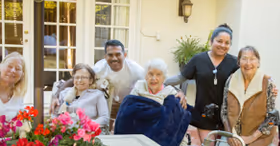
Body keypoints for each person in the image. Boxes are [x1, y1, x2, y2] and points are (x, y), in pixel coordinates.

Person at [50, 40, 187, 125]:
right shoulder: (99, 68)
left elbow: (158, 81)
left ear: (124, 55)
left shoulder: (136, 70)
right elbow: (76, 78)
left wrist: (179, 92)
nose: (114, 58)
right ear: (105, 57)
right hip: (107, 105)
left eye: (118, 54)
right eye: (110, 55)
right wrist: (56, 96)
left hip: (128, 106)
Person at [209, 46, 277, 146]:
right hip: (233, 134)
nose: (248, 63)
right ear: (239, 62)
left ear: (258, 62)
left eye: (252, 59)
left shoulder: (267, 82)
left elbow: (272, 118)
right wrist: (230, 134)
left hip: (258, 138)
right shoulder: (232, 79)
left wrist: (250, 138)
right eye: (244, 58)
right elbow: (224, 111)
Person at [166, 24, 238, 146]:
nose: (223, 45)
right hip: (205, 114)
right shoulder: (198, 59)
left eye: (227, 43)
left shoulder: (234, 62)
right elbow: (178, 79)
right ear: (211, 41)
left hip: (228, 117)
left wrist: (270, 86)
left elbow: (251, 78)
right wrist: (177, 91)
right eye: (219, 41)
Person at [58, 63, 109, 129]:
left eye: (84, 77)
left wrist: (88, 126)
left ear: (90, 80)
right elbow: (56, 116)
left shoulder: (98, 95)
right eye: (77, 77)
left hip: (88, 133)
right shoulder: (64, 93)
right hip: (67, 133)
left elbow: (104, 118)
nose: (79, 80)